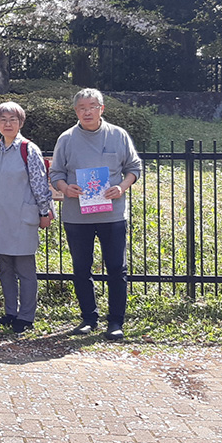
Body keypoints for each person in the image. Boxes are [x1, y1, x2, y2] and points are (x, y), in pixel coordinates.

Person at [49, 88, 142, 341]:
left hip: (112, 215)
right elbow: (55, 173)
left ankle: (116, 321)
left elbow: (134, 168)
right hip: (76, 216)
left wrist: (122, 187)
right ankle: (88, 318)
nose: (87, 111)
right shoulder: (66, 139)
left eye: (92, 106)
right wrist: (65, 188)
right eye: (81, 107)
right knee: (81, 268)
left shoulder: (118, 135)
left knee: (116, 268)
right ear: (76, 111)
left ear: (102, 108)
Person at [0, 101, 54, 334]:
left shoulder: (28, 149)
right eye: (2, 119)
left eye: (12, 119)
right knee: (5, 269)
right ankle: (10, 312)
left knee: (25, 269)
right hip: (0, 218)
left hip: (23, 217)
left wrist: (45, 211)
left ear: (20, 122)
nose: (7, 124)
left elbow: (39, 182)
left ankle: (26, 316)